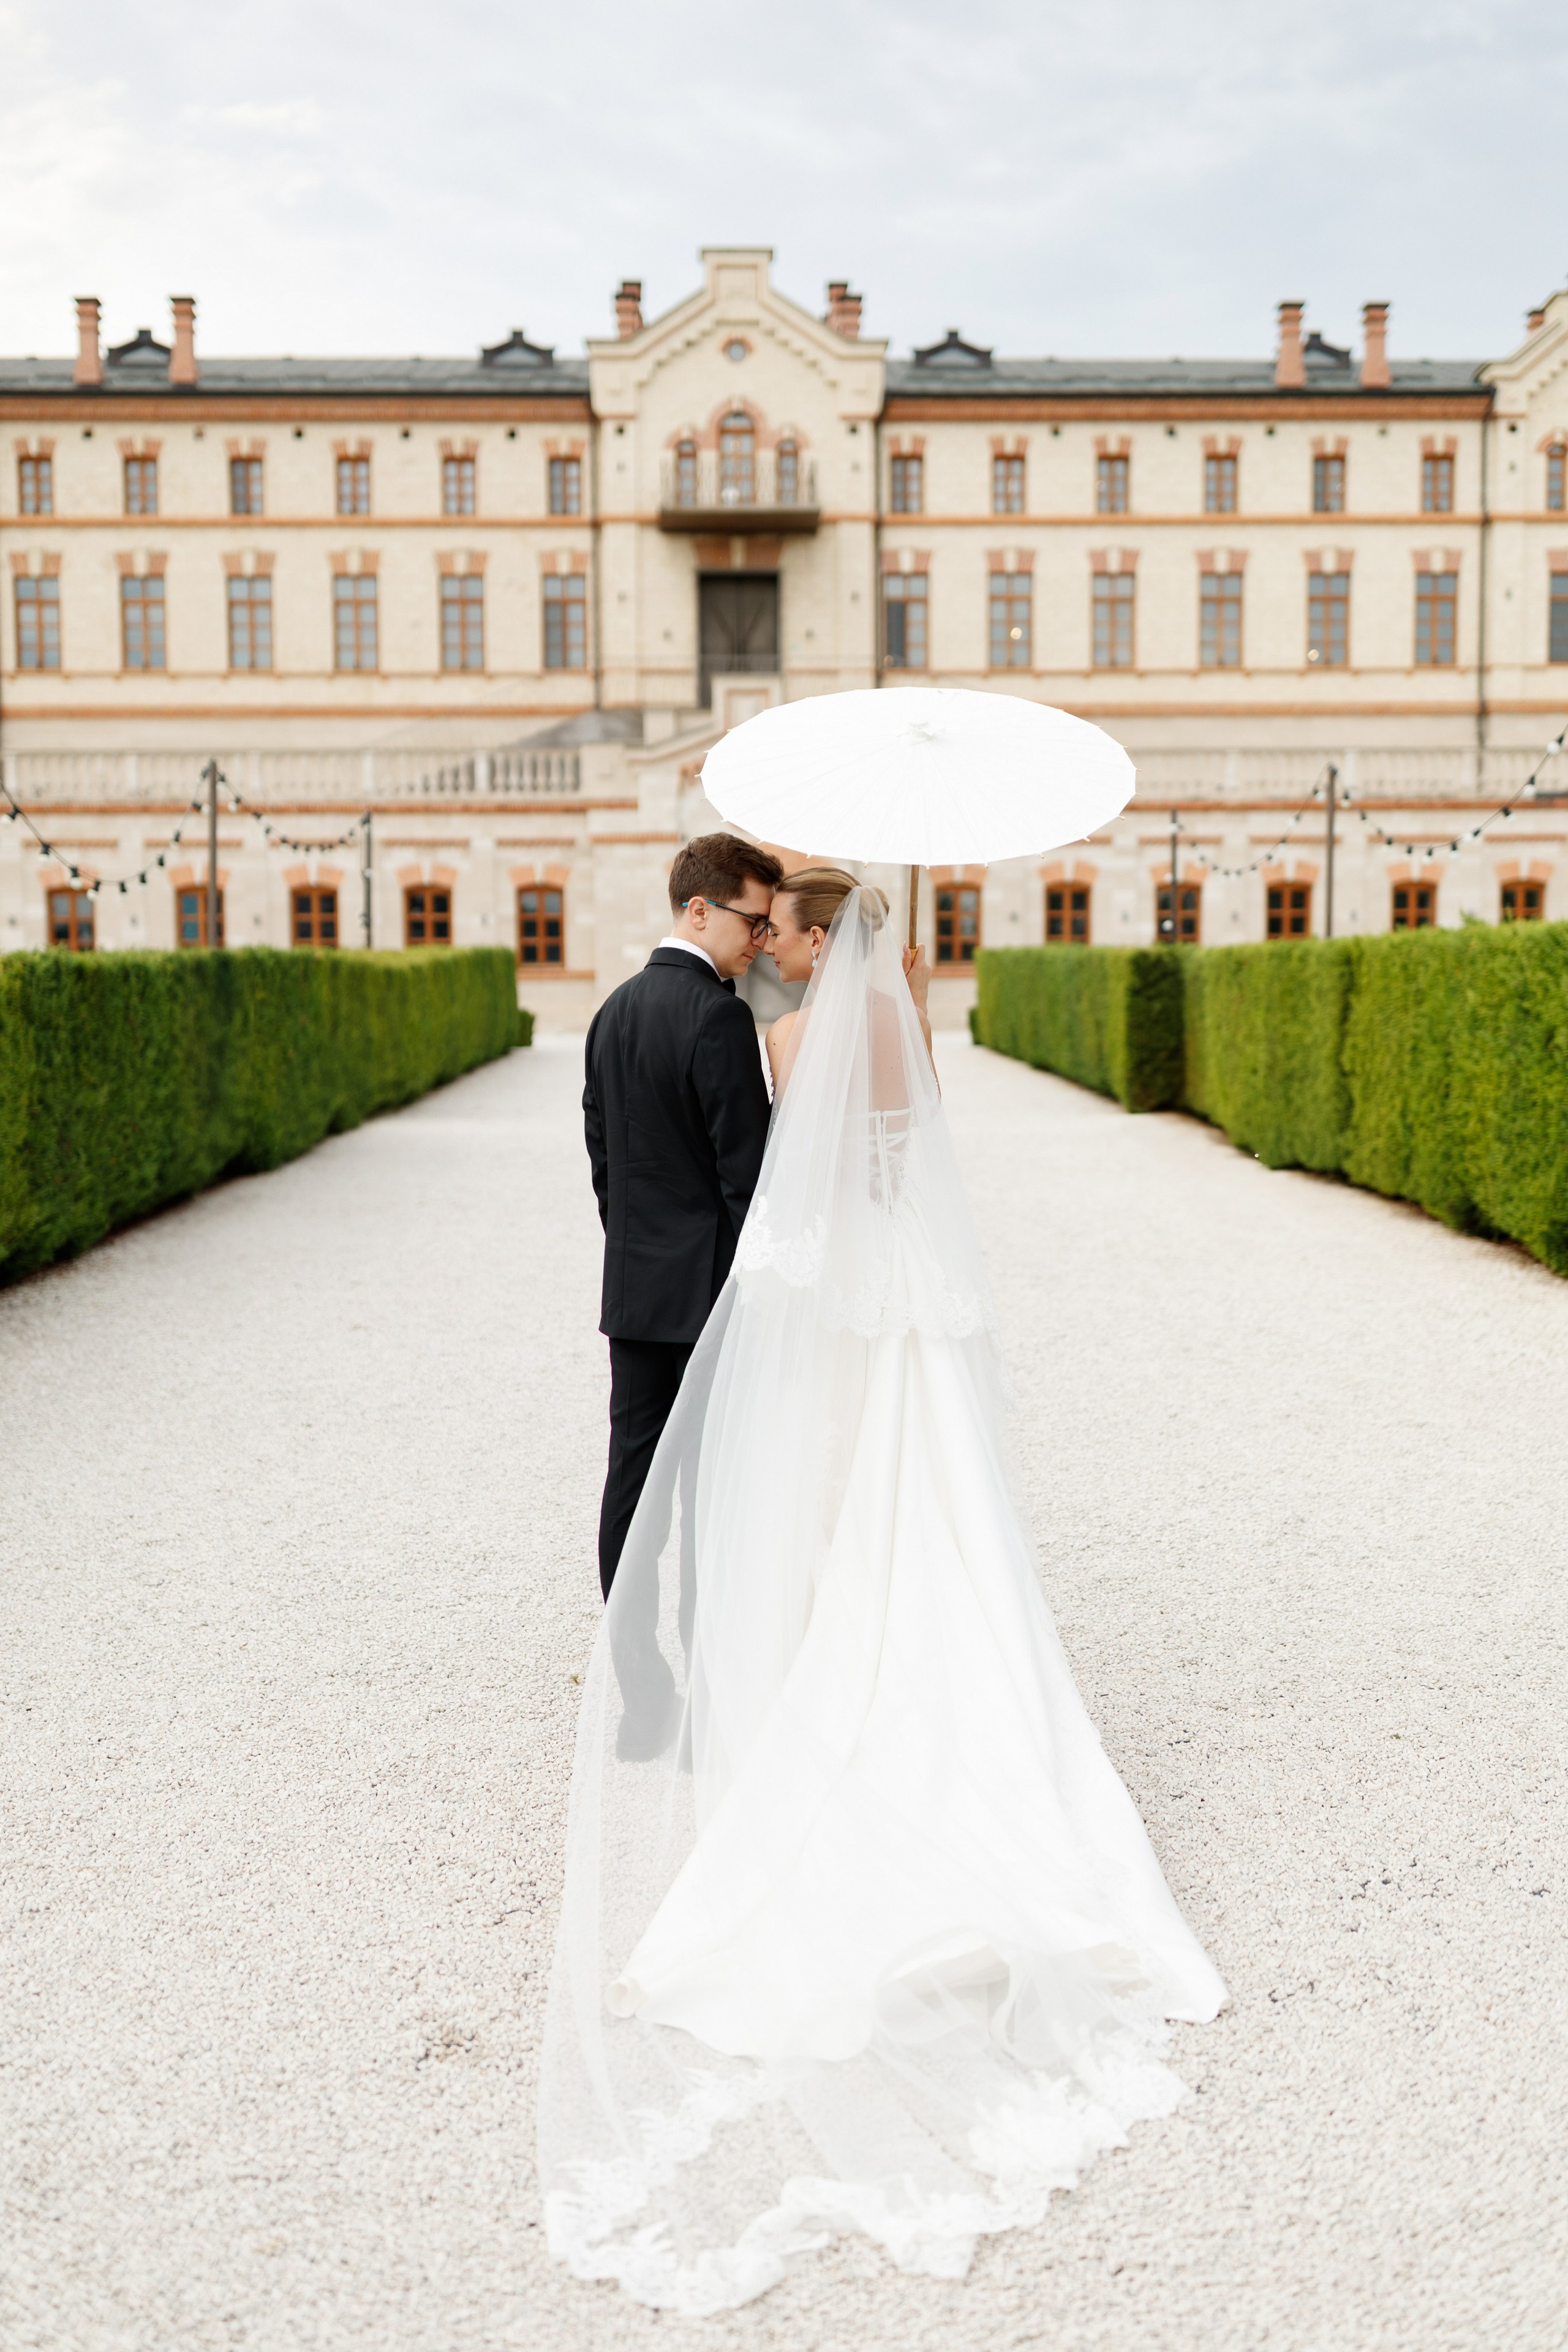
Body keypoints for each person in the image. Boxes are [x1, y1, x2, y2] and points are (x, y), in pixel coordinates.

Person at [542, 870, 1226, 2316]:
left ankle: (784, 1688)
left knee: (834, 1516)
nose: (770, 944)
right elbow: (896, 1169)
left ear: (807, 935)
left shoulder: (779, 1038)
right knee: (939, 1522)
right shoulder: (906, 1020)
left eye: (785, 927)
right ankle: (959, 1702)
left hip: (824, 1306)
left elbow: (766, 1199)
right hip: (918, 1306)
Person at [582, 831, 784, 1611]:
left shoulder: (613, 1011)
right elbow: (748, 1180)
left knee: (631, 1483)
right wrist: (748, 1294)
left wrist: (638, 1248)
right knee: (708, 1490)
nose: (760, 943)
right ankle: (709, 1665)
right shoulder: (719, 1019)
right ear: (699, 911)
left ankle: (631, 1679)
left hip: (634, 1292)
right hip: (709, 1301)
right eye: (752, 922)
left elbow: (605, 1161)